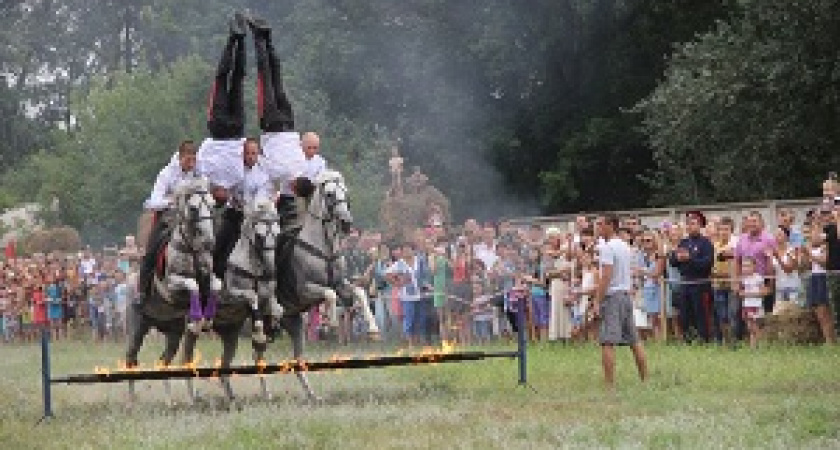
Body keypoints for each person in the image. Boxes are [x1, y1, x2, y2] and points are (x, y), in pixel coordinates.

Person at [135, 140, 199, 304]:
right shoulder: (166, 173)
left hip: (192, 218)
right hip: (168, 217)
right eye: (188, 160)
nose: (191, 164)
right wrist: (172, 200)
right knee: (150, 252)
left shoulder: (198, 173)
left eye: (194, 160)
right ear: (180, 157)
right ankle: (142, 291)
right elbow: (154, 201)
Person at [593, 214, 647, 390]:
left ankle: (609, 385)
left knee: (607, 341)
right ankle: (645, 379)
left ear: (611, 226)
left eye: (601, 224)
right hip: (625, 295)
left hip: (613, 297)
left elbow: (606, 275)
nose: (598, 228)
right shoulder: (624, 246)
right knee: (634, 340)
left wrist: (597, 300)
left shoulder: (608, 248)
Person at [670, 211, 714, 343]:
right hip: (685, 283)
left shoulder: (705, 243)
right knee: (684, 313)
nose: (690, 226)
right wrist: (677, 258)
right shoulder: (683, 242)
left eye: (693, 224)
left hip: (700, 283)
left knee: (700, 313)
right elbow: (672, 261)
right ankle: (688, 338)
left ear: (700, 225)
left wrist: (690, 259)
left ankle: (703, 339)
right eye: (688, 224)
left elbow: (707, 263)